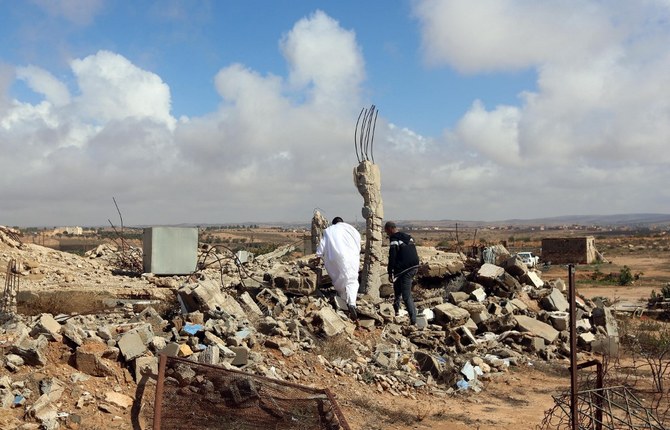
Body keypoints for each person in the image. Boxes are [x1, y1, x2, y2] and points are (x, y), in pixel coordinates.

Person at [316, 217, 362, 320]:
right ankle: (351, 303)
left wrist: (318, 256)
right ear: (342, 222)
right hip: (351, 257)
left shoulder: (329, 230)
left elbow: (322, 244)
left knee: (339, 279)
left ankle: (343, 301)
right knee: (352, 280)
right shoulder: (351, 229)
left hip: (336, 257)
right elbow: (358, 242)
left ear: (333, 223)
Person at [385, 221, 419, 325]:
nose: (386, 234)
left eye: (386, 231)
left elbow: (392, 256)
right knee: (397, 289)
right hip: (414, 266)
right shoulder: (408, 237)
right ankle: (397, 311)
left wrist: (390, 272)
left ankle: (414, 321)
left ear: (390, 229)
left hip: (405, 270)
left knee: (406, 295)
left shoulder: (394, 239)